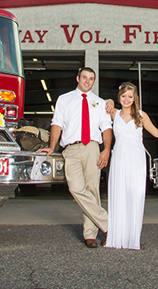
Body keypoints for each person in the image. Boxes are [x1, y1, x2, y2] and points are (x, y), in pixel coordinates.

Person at [104, 82, 158, 250]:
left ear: (134, 98)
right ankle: (118, 238)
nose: (127, 99)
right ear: (119, 98)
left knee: (135, 194)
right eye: (123, 96)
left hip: (136, 157)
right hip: (119, 158)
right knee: (119, 193)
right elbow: (98, 104)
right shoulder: (113, 113)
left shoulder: (141, 115)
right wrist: (108, 100)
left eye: (130, 96)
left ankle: (132, 238)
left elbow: (157, 133)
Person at [37, 67, 112, 248]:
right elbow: (57, 123)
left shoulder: (100, 102)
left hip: (93, 147)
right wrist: (51, 146)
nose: (87, 81)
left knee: (93, 189)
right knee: (76, 188)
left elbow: (106, 128)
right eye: (84, 77)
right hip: (70, 148)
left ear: (94, 81)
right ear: (78, 78)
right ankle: (109, 225)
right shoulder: (64, 99)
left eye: (91, 79)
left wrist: (106, 149)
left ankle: (90, 234)